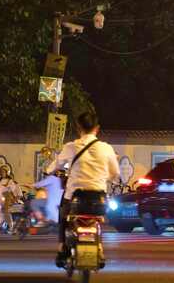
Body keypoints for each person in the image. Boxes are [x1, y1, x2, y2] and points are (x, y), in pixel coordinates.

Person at [49, 112, 120, 267]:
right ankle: (99, 248)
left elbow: (53, 167)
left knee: (63, 214)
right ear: (97, 128)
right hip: (99, 200)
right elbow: (115, 174)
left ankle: (62, 248)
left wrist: (49, 170)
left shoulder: (71, 147)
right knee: (98, 221)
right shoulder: (107, 149)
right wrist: (105, 178)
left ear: (78, 128)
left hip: (75, 199)